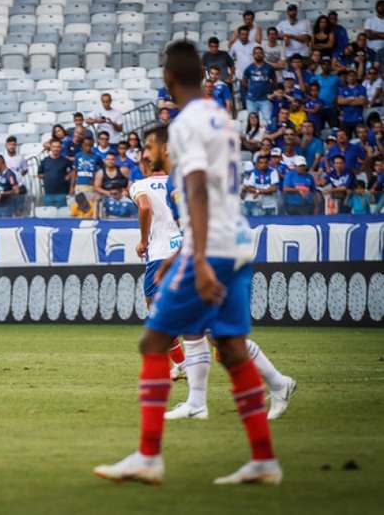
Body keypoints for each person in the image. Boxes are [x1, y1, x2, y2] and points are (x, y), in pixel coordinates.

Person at [93, 40, 284, 486]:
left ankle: (148, 456)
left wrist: (194, 258)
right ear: (203, 74)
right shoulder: (223, 118)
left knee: (155, 341)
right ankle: (263, 459)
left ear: (168, 79)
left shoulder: (183, 125)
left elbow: (196, 189)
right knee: (232, 348)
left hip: (212, 247)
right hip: (237, 241)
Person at [127, 124, 186, 377]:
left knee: (156, 309)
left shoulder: (140, 185)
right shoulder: (177, 182)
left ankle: (183, 362)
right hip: (185, 248)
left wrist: (142, 241)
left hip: (160, 253)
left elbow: (144, 208)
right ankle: (185, 363)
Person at [94, 152, 136, 217]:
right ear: (105, 161)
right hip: (107, 196)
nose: (110, 161)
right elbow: (97, 187)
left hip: (123, 195)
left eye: (112, 159)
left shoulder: (123, 170)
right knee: (97, 198)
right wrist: (108, 192)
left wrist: (127, 190)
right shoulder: (100, 173)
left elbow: (131, 180)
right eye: (108, 159)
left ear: (116, 160)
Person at [38, 140, 73, 207]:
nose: (56, 149)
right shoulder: (44, 161)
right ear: (50, 148)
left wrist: (68, 176)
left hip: (62, 194)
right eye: (54, 147)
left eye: (58, 147)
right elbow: (39, 174)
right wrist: (48, 176)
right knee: (49, 215)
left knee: (61, 215)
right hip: (48, 194)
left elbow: (73, 171)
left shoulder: (65, 161)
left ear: (61, 148)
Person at [311, 56, 343, 128]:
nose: (326, 66)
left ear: (330, 66)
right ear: (321, 66)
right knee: (319, 129)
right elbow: (309, 92)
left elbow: (342, 89)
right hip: (319, 108)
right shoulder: (315, 78)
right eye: (324, 64)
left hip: (331, 108)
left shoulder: (336, 78)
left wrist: (337, 99)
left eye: (328, 64)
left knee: (334, 128)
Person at [230, 25, 258, 94]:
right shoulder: (235, 46)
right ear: (239, 35)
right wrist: (233, 74)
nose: (244, 36)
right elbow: (230, 60)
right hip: (240, 77)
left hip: (252, 77)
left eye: (246, 34)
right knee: (242, 100)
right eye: (242, 34)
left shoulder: (255, 46)